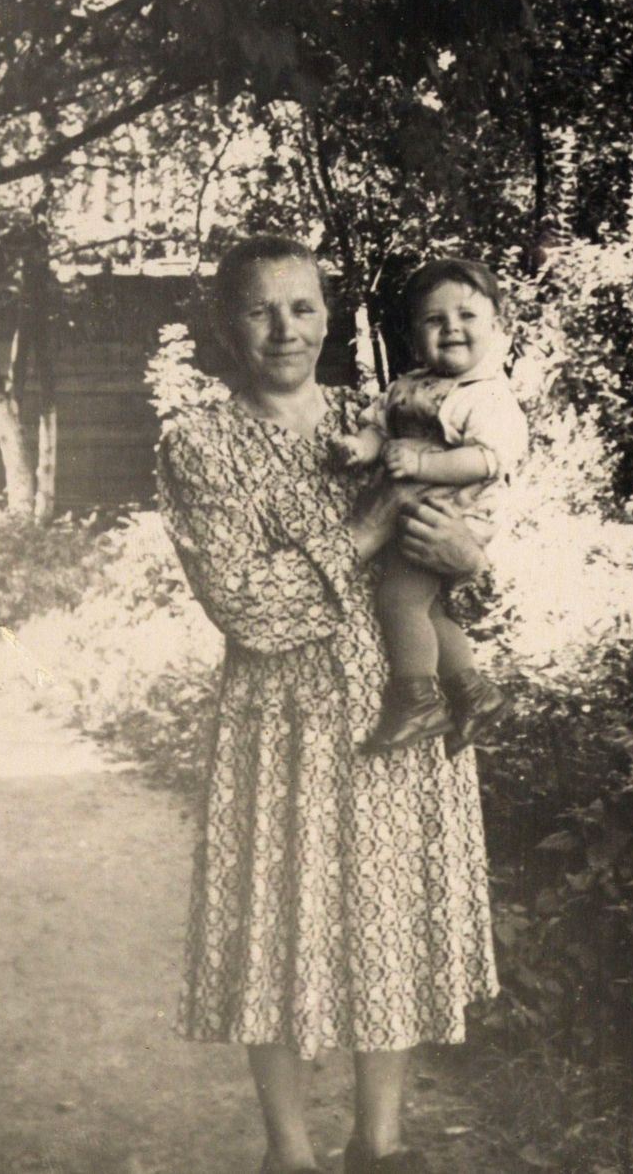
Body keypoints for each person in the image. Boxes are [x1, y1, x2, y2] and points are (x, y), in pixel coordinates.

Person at [156, 235, 499, 1174]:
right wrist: (367, 527)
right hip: (281, 724)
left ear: (328, 316)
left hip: (400, 710)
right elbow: (249, 606)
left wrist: (471, 562)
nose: (284, 329)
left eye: (303, 307)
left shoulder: (382, 415)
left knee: (387, 920)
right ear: (227, 325)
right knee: (279, 926)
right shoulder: (200, 443)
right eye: (260, 309)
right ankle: (291, 1154)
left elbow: (462, 560)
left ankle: (379, 1145)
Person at [332, 259, 528, 756]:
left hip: (449, 518)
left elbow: (486, 460)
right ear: (414, 335)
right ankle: (474, 694)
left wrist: (421, 462)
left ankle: (417, 700)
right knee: (427, 608)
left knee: (398, 601)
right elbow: (379, 428)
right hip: (414, 510)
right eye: (434, 320)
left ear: (496, 326)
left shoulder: (490, 397)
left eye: (467, 316)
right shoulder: (409, 386)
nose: (452, 328)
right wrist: (362, 448)